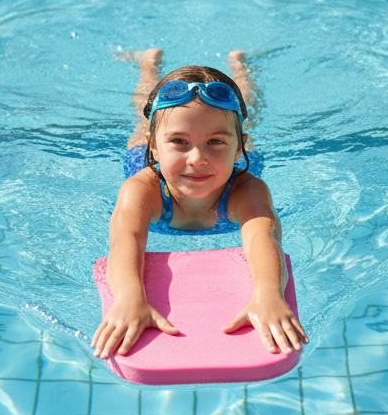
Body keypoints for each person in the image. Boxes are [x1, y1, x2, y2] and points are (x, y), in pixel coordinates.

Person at [91, 49, 308, 361]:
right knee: (143, 118)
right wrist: (128, 298)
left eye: (216, 142)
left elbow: (263, 237)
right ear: (157, 147)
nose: (198, 159)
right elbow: (126, 239)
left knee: (245, 109)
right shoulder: (142, 188)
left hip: (233, 166)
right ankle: (147, 65)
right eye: (179, 141)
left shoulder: (246, 189)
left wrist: (268, 294)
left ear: (237, 148)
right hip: (146, 161)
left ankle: (241, 67)